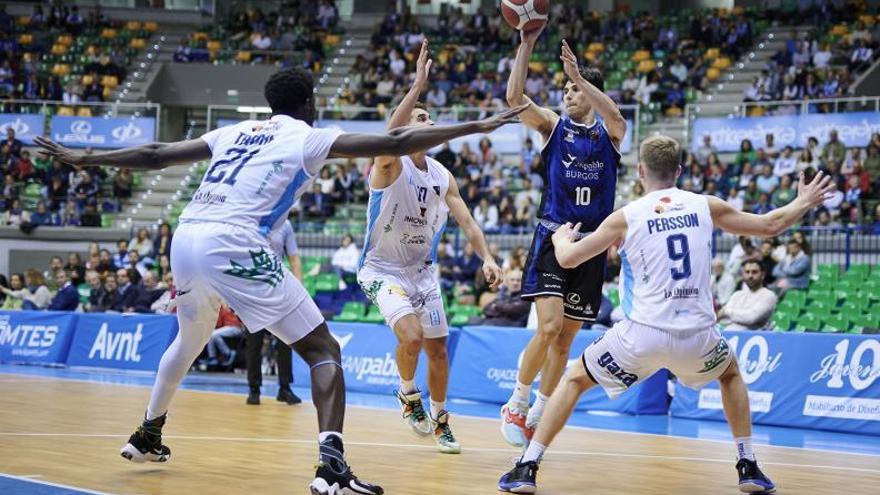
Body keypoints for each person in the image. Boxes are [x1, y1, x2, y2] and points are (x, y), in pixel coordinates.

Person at [35, 65, 524, 494]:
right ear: (309, 103)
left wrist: (89, 158)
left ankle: (147, 432)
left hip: (185, 236)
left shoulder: (234, 131)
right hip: (234, 240)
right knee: (324, 350)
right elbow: (394, 142)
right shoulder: (306, 136)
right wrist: (477, 124)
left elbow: (159, 153)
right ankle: (331, 468)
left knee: (190, 341)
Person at [498, 135, 835, 494]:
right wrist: (803, 201)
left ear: (641, 171)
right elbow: (771, 225)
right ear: (679, 171)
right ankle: (747, 463)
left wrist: (563, 239)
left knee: (574, 379)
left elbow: (567, 260)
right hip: (698, 336)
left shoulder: (626, 216)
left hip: (641, 336)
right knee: (731, 374)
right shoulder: (705, 205)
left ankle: (528, 466)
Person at [356, 40, 502, 455]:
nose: (427, 120)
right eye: (421, 116)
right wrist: (417, 87)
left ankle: (440, 420)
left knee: (438, 349)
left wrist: (487, 257)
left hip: (422, 272)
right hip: (381, 270)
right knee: (412, 336)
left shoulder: (442, 175)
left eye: (430, 118)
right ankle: (407, 393)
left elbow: (468, 221)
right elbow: (391, 133)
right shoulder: (388, 163)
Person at [501, 27, 626, 447]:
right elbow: (515, 99)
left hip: (592, 245)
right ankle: (516, 402)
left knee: (567, 338)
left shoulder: (609, 133)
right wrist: (526, 46)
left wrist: (583, 79)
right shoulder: (554, 127)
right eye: (566, 90)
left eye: (574, 90)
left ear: (591, 94)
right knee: (549, 328)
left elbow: (617, 118)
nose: (567, 96)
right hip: (555, 237)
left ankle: (539, 411)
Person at [246, 218, 304, 406]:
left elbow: (294, 258)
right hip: (254, 290)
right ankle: (254, 389)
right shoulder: (249, 220)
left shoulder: (285, 224)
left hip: (279, 289)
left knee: (285, 341)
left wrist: (299, 286)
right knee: (254, 343)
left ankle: (285, 388)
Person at [718, 260, 778, 330]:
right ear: (743, 275)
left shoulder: (768, 295)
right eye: (747, 272)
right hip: (728, 336)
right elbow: (723, 320)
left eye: (754, 272)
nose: (750, 275)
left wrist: (726, 311)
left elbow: (751, 318)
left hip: (752, 338)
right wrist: (741, 317)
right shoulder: (737, 295)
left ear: (763, 275)